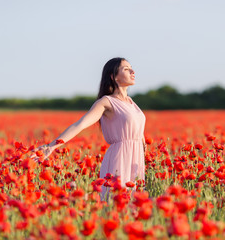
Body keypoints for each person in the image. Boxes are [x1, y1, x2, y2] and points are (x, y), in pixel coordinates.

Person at [32, 57, 146, 199]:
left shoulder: (131, 102)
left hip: (136, 158)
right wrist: (52, 146)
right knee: (115, 203)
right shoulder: (106, 102)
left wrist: (142, 146)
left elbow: (136, 128)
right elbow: (80, 124)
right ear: (113, 76)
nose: (132, 71)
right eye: (126, 69)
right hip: (120, 157)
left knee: (133, 204)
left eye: (131, 67)